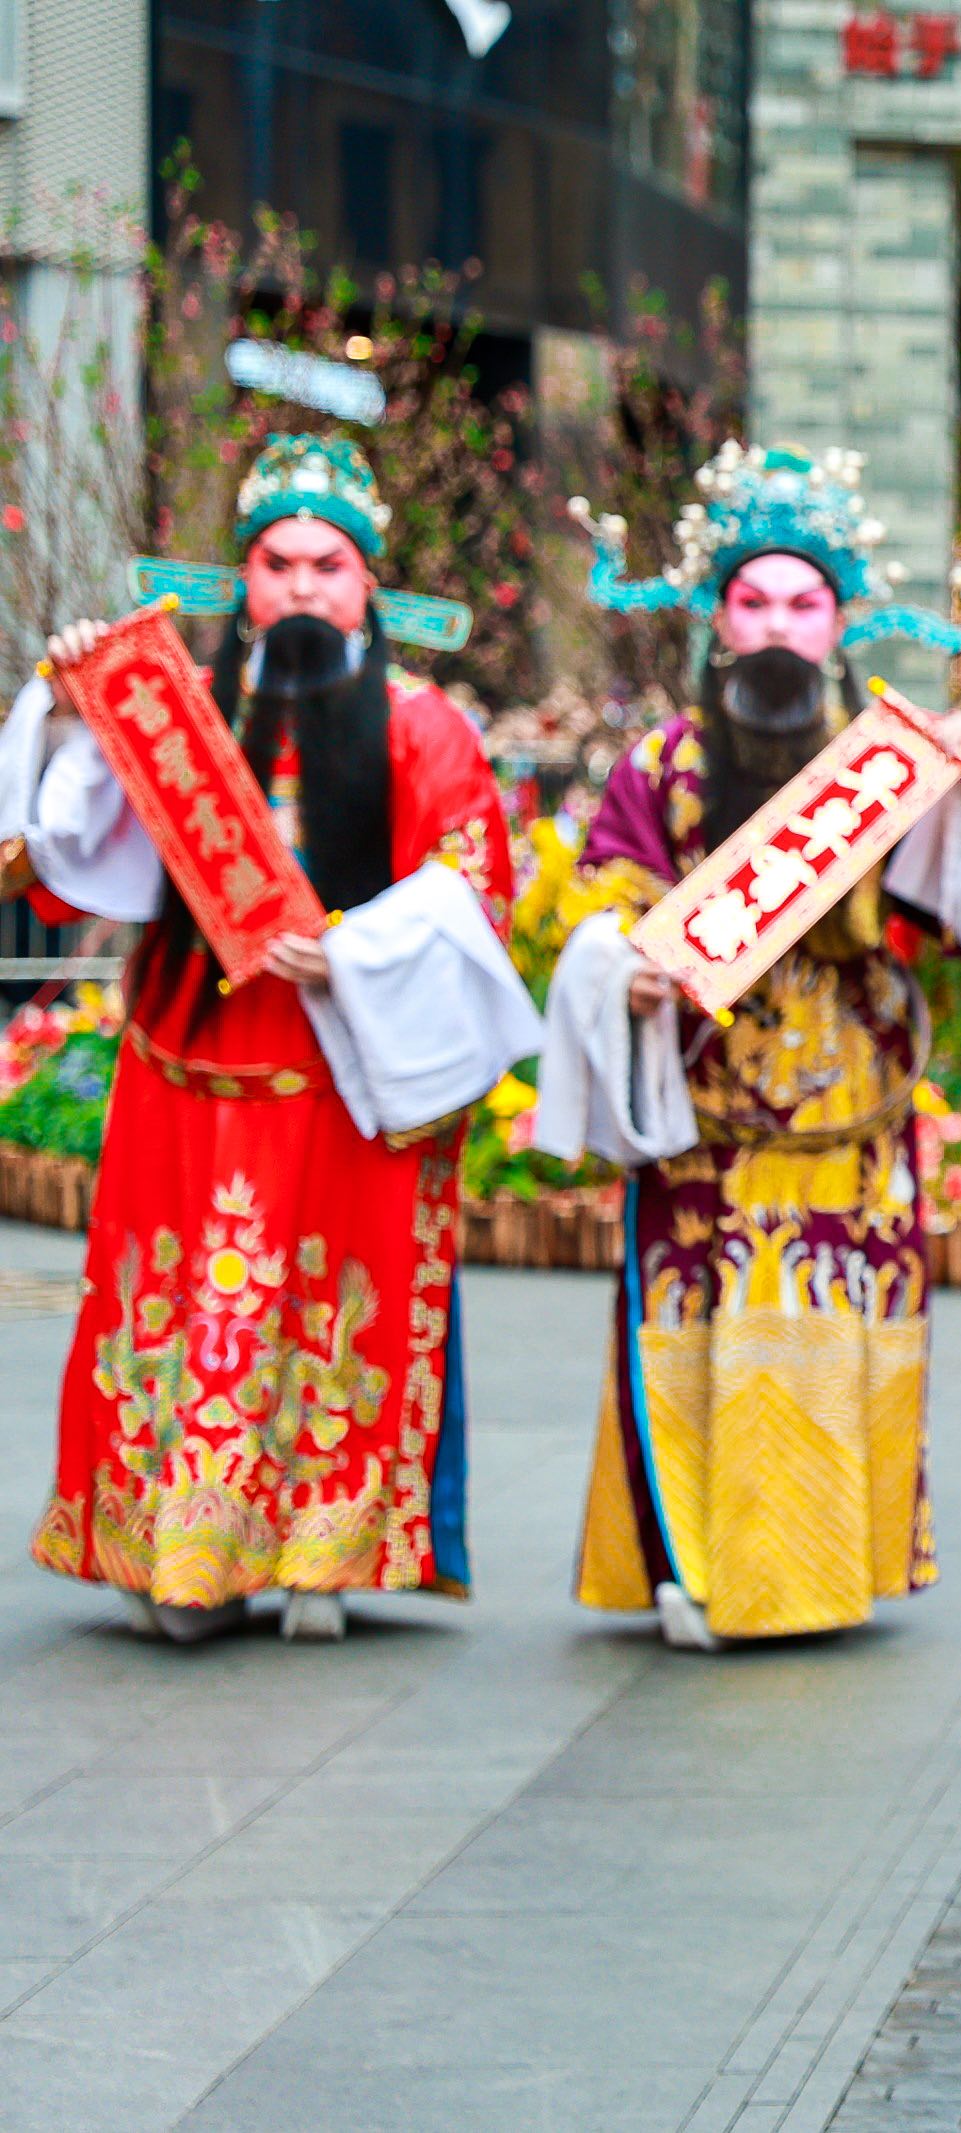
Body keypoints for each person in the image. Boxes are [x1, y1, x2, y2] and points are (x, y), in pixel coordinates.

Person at [541, 443, 961, 1651]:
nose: (780, 626)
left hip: (853, 1087)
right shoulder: (661, 765)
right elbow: (596, 898)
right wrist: (617, 958)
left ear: (839, 618)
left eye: (803, 603)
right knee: (695, 1335)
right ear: (717, 617)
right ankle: (692, 1568)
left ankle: (824, 1563)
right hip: (701, 1096)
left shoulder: (891, 762)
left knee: (836, 1333)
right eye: (754, 601)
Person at [7, 434, 537, 1642]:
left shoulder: (424, 726)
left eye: (329, 564)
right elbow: (73, 848)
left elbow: (473, 891)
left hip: (339, 1073)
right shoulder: (178, 712)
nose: (301, 586)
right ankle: (183, 1560)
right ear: (242, 579)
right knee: (188, 1313)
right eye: (277, 561)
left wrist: (351, 948)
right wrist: (70, 704)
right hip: (186, 1068)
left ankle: (321, 1557)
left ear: (369, 587)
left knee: (328, 1316)